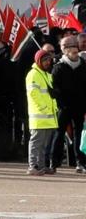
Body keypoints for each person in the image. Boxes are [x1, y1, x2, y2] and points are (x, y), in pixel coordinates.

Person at [51, 35, 85, 173]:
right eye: (68, 47)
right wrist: (60, 104)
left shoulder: (83, 65)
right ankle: (54, 162)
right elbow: (55, 88)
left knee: (80, 135)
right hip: (64, 107)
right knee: (58, 134)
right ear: (64, 51)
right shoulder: (59, 68)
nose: (73, 50)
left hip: (80, 106)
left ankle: (81, 162)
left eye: (74, 47)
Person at [26, 48, 59, 175]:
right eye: (45, 60)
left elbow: (51, 95)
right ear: (38, 61)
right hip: (39, 117)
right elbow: (34, 94)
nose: (47, 63)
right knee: (36, 143)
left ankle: (40, 166)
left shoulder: (47, 74)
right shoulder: (33, 74)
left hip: (48, 117)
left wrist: (54, 108)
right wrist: (45, 108)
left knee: (43, 145)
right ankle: (32, 166)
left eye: (48, 60)